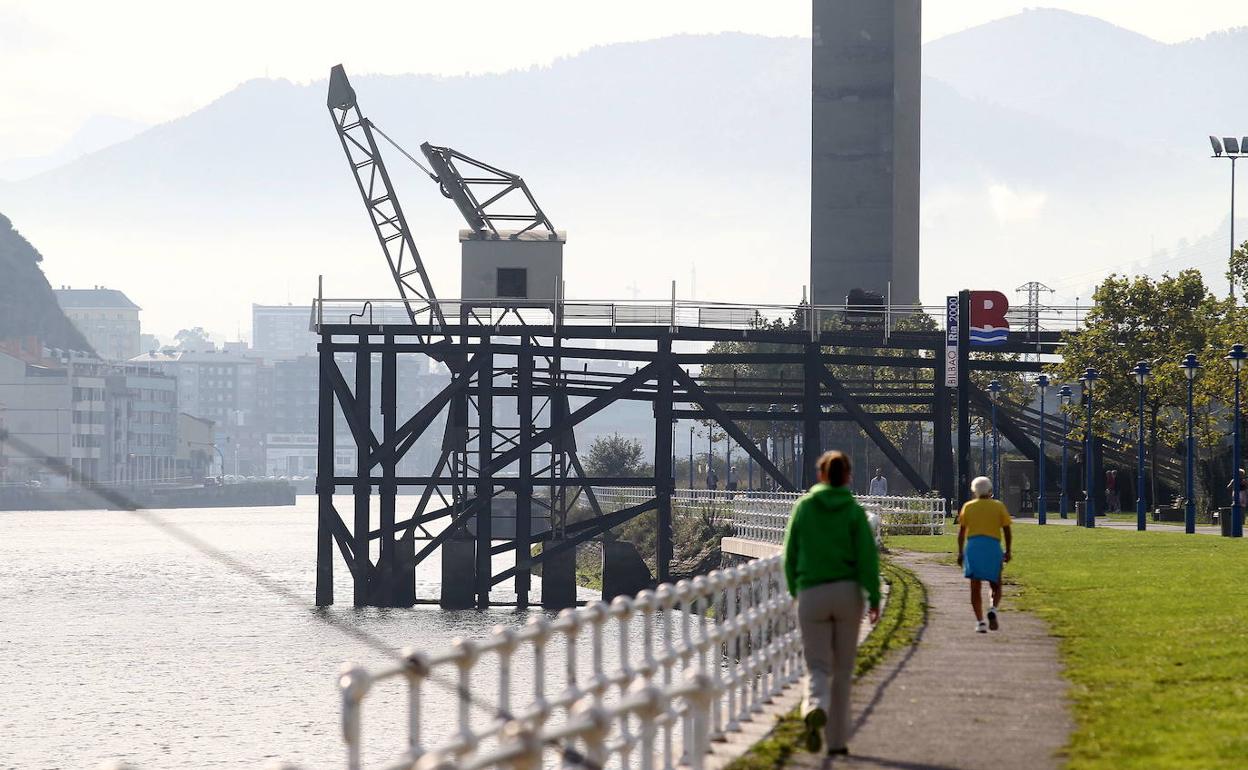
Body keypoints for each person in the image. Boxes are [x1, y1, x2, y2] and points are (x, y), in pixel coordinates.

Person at [783, 450, 881, 757]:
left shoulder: (804, 507)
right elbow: (867, 558)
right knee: (843, 670)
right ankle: (837, 743)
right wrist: (874, 596)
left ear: (820, 475)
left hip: (811, 593)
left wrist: (795, 590)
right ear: (848, 476)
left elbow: (790, 555)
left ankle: (814, 705)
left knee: (817, 665)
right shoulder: (853, 510)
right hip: (847, 593)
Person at [957, 476, 1013, 633]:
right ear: (990, 491)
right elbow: (1007, 531)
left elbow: (961, 533)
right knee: (996, 583)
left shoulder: (968, 507)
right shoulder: (998, 506)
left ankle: (980, 622)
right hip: (992, 546)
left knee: (975, 587)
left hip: (974, 547)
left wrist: (961, 553)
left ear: (974, 491)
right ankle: (993, 609)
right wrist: (1008, 550)